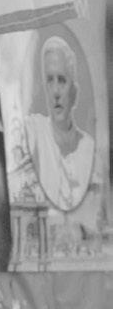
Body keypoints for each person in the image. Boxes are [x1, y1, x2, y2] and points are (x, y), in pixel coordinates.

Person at [9, 35, 98, 216]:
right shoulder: (34, 131)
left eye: (62, 80)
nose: (56, 91)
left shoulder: (89, 149)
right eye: (50, 80)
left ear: (74, 91)